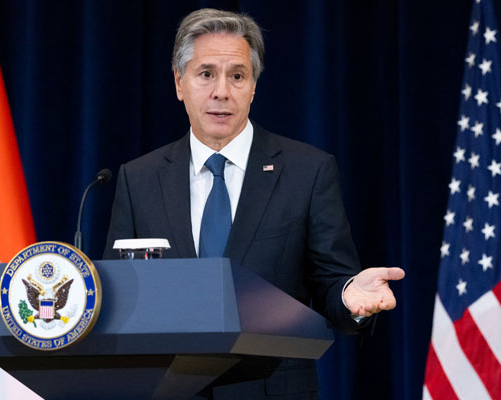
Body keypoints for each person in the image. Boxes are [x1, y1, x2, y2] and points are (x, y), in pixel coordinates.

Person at [104, 8, 405, 399]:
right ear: (179, 82)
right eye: (206, 73)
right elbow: (118, 296)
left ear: (253, 86)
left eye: (237, 76)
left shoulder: (306, 171)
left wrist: (349, 296)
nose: (221, 92)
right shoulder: (138, 178)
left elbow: (331, 283)